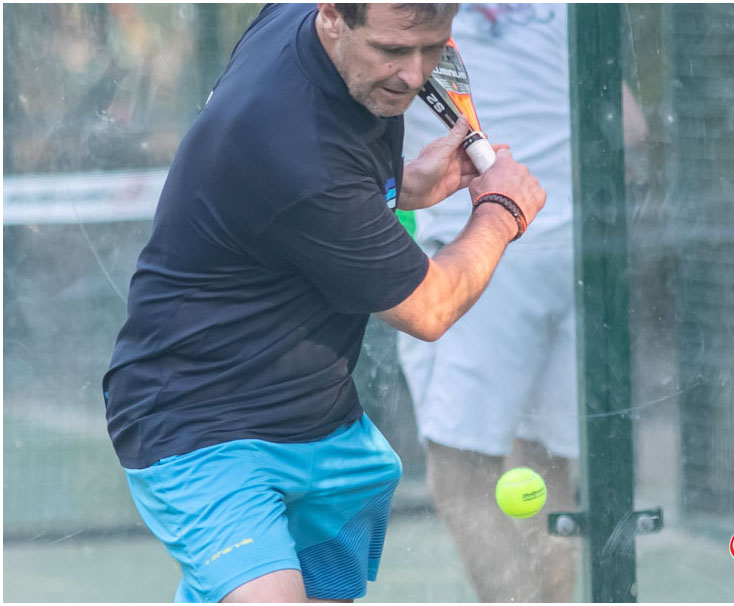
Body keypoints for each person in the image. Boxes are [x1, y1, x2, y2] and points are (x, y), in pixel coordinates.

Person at [102, 3, 546, 603]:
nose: (415, 75)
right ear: (334, 15)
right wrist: (501, 210)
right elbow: (429, 309)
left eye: (434, 47)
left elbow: (304, 199)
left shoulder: (295, 21)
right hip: (196, 421)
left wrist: (399, 182)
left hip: (323, 427)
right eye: (392, 51)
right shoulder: (294, 145)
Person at [398, 4, 648, 602]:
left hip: (485, 246)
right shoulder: (569, 9)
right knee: (544, 469)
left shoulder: (405, 13)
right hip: (579, 252)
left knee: (460, 473)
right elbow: (633, 128)